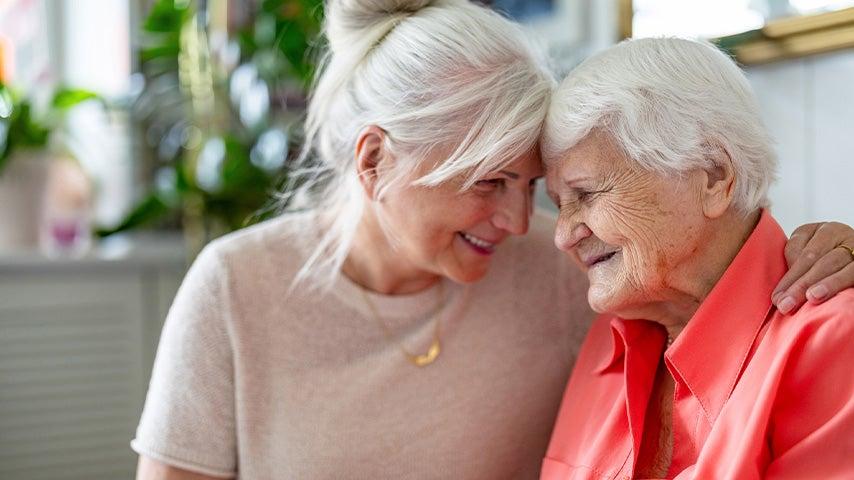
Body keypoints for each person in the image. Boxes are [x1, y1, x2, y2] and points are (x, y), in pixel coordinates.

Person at [133, 2, 854, 479]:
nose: (522, 226)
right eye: (486, 183)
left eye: (531, 188)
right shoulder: (234, 286)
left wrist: (833, 244)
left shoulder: (570, 273)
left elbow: (717, 255)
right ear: (375, 159)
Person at [541, 37, 854, 480]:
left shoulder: (834, 341)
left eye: (586, 194)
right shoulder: (605, 340)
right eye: (558, 203)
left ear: (713, 177)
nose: (562, 235)